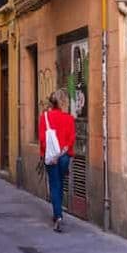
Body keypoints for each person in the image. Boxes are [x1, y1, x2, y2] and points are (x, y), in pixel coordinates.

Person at [38, 92, 76, 233]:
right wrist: (65, 151)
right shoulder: (69, 119)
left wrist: (44, 155)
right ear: (63, 102)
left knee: (54, 185)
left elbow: (42, 139)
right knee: (60, 183)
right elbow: (72, 139)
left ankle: (58, 215)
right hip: (64, 156)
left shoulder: (45, 118)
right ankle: (57, 212)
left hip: (51, 156)